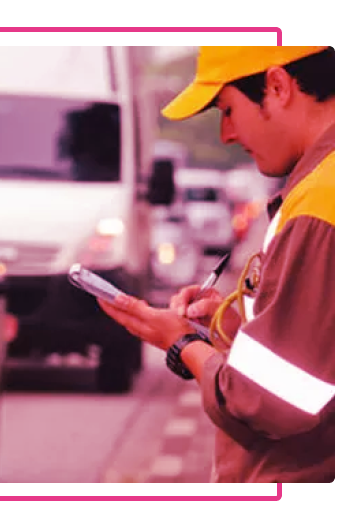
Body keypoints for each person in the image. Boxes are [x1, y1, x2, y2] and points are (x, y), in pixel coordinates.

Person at [98, 46, 334, 483]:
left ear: (278, 86)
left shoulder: (322, 200)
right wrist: (230, 322)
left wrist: (182, 345)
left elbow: (275, 400)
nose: (226, 133)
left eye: (227, 109)